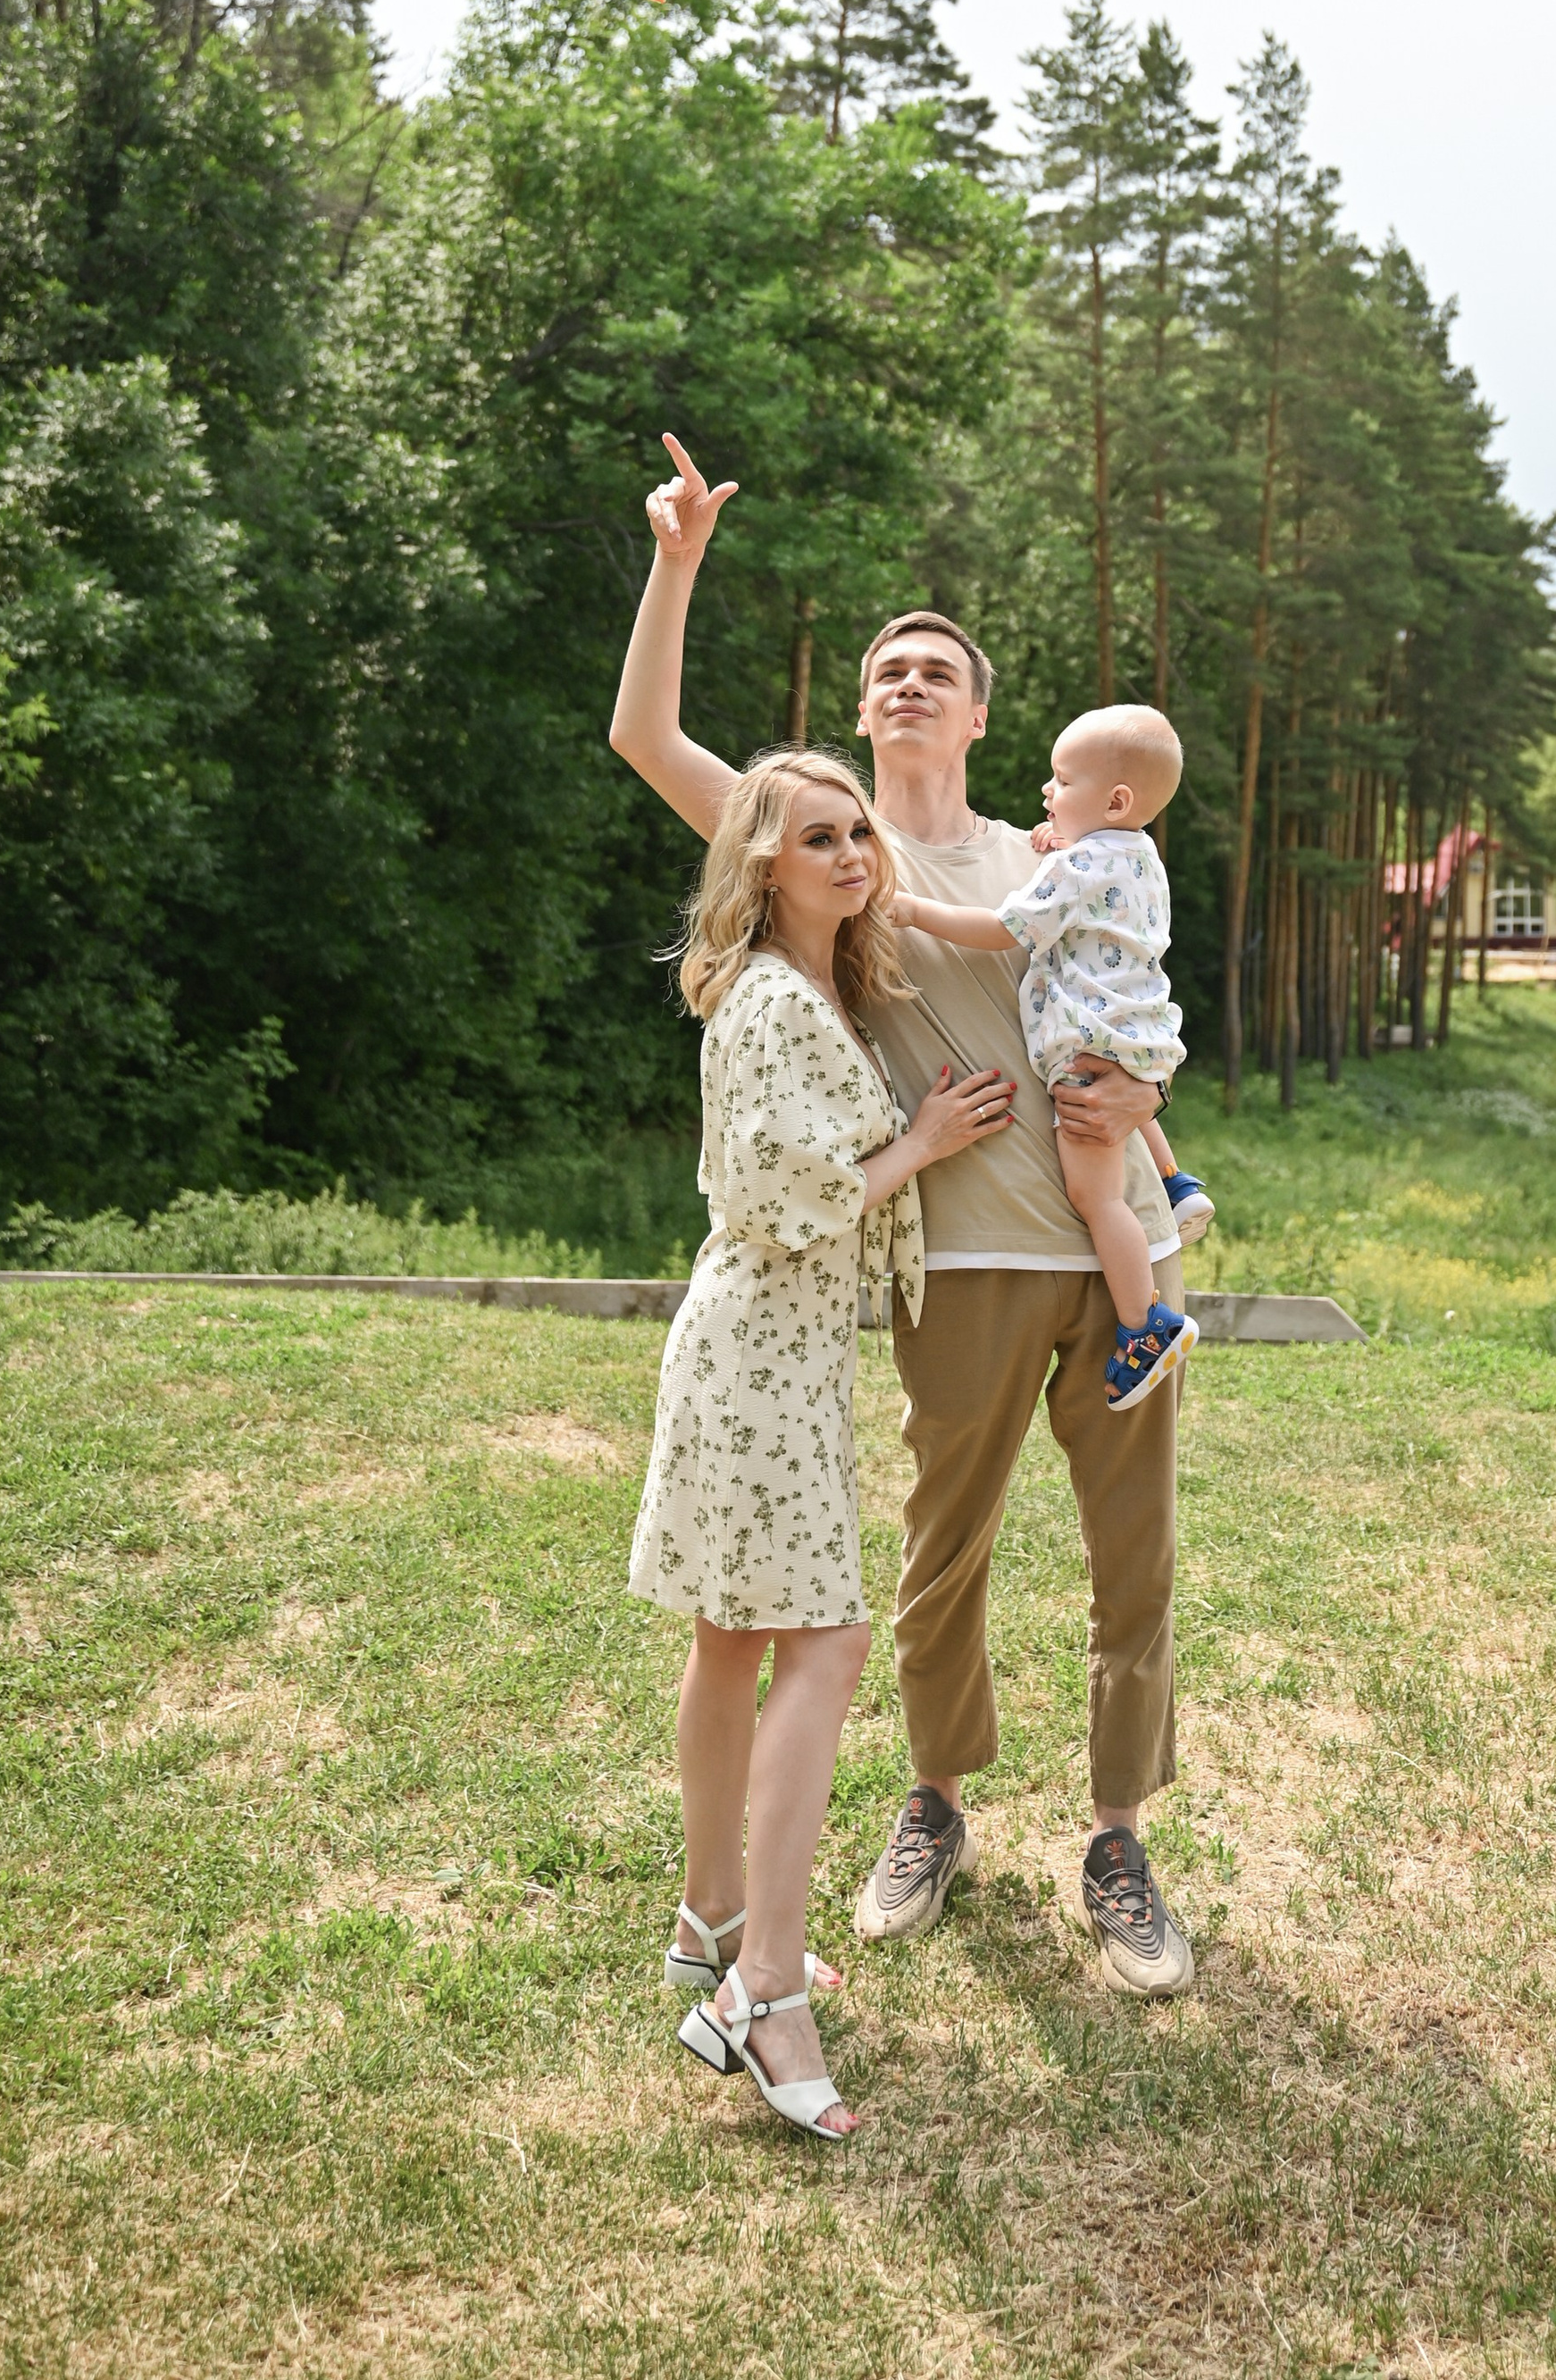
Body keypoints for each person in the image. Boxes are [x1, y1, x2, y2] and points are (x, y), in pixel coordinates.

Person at [609, 433, 1200, 2000]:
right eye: (891, 670)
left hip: (1115, 1244)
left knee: (1132, 1562)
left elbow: (1118, 1000)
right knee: (946, 1561)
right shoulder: (821, 846)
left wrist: (1153, 1118)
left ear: (986, 713)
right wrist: (677, 563)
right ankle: (935, 1806)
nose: (913, 683)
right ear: (864, 713)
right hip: (971, 1264)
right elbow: (644, 732)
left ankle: (1121, 1839)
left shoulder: (1045, 854)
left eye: (940, 668)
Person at [626, 746, 1011, 2139]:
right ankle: (762, 1989)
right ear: (762, 863)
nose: (852, 853)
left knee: (736, 1635)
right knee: (828, 1641)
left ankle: (710, 1920)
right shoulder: (772, 1002)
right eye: (818, 838)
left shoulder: (808, 989)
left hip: (768, 1350)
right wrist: (919, 1142)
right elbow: (774, 1195)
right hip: (757, 1351)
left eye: (858, 832)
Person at [891, 702, 1199, 1411]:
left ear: (1115, 799)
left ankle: (1143, 1322)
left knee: (1099, 1198)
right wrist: (1067, 841)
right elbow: (1095, 894)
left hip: (1088, 1048)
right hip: (1138, 1035)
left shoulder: (1083, 862)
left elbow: (1006, 929)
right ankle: (1176, 1181)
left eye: (1061, 780)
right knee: (1126, 1121)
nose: (1046, 791)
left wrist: (913, 910)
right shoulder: (1139, 852)